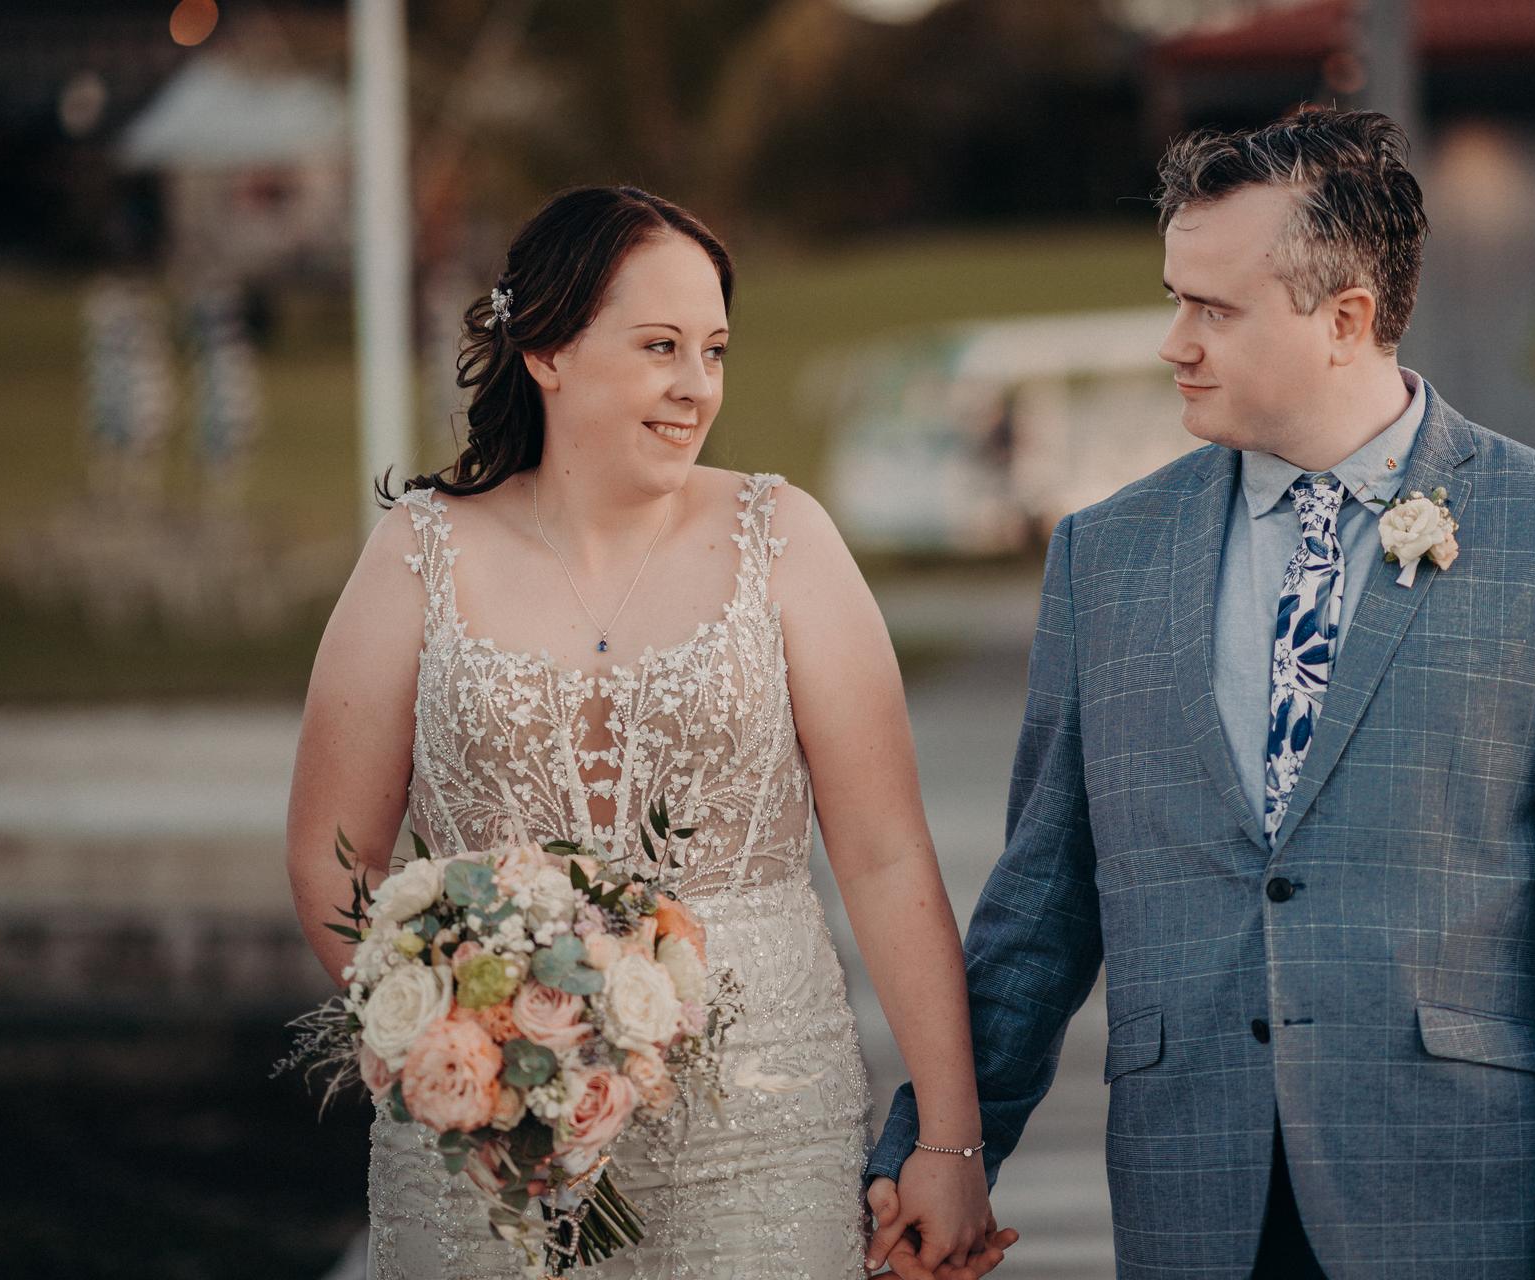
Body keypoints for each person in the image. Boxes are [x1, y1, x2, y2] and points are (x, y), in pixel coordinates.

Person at [866, 108, 1535, 1278]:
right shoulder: (1103, 558)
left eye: (1214, 308)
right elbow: (1038, 914)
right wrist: (941, 1147)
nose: (1173, 340)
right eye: (1175, 294)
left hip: (1464, 1210)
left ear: (1345, 320)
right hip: (1191, 1203)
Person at [284, 186, 1015, 1279]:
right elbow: (332, 852)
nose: (696, 387)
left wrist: (951, 1141)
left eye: (714, 349)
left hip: (762, 1128)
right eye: (661, 346)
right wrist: (458, 1056)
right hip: (486, 1156)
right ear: (547, 350)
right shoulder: (417, 553)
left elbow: (885, 852)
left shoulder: (785, 538)